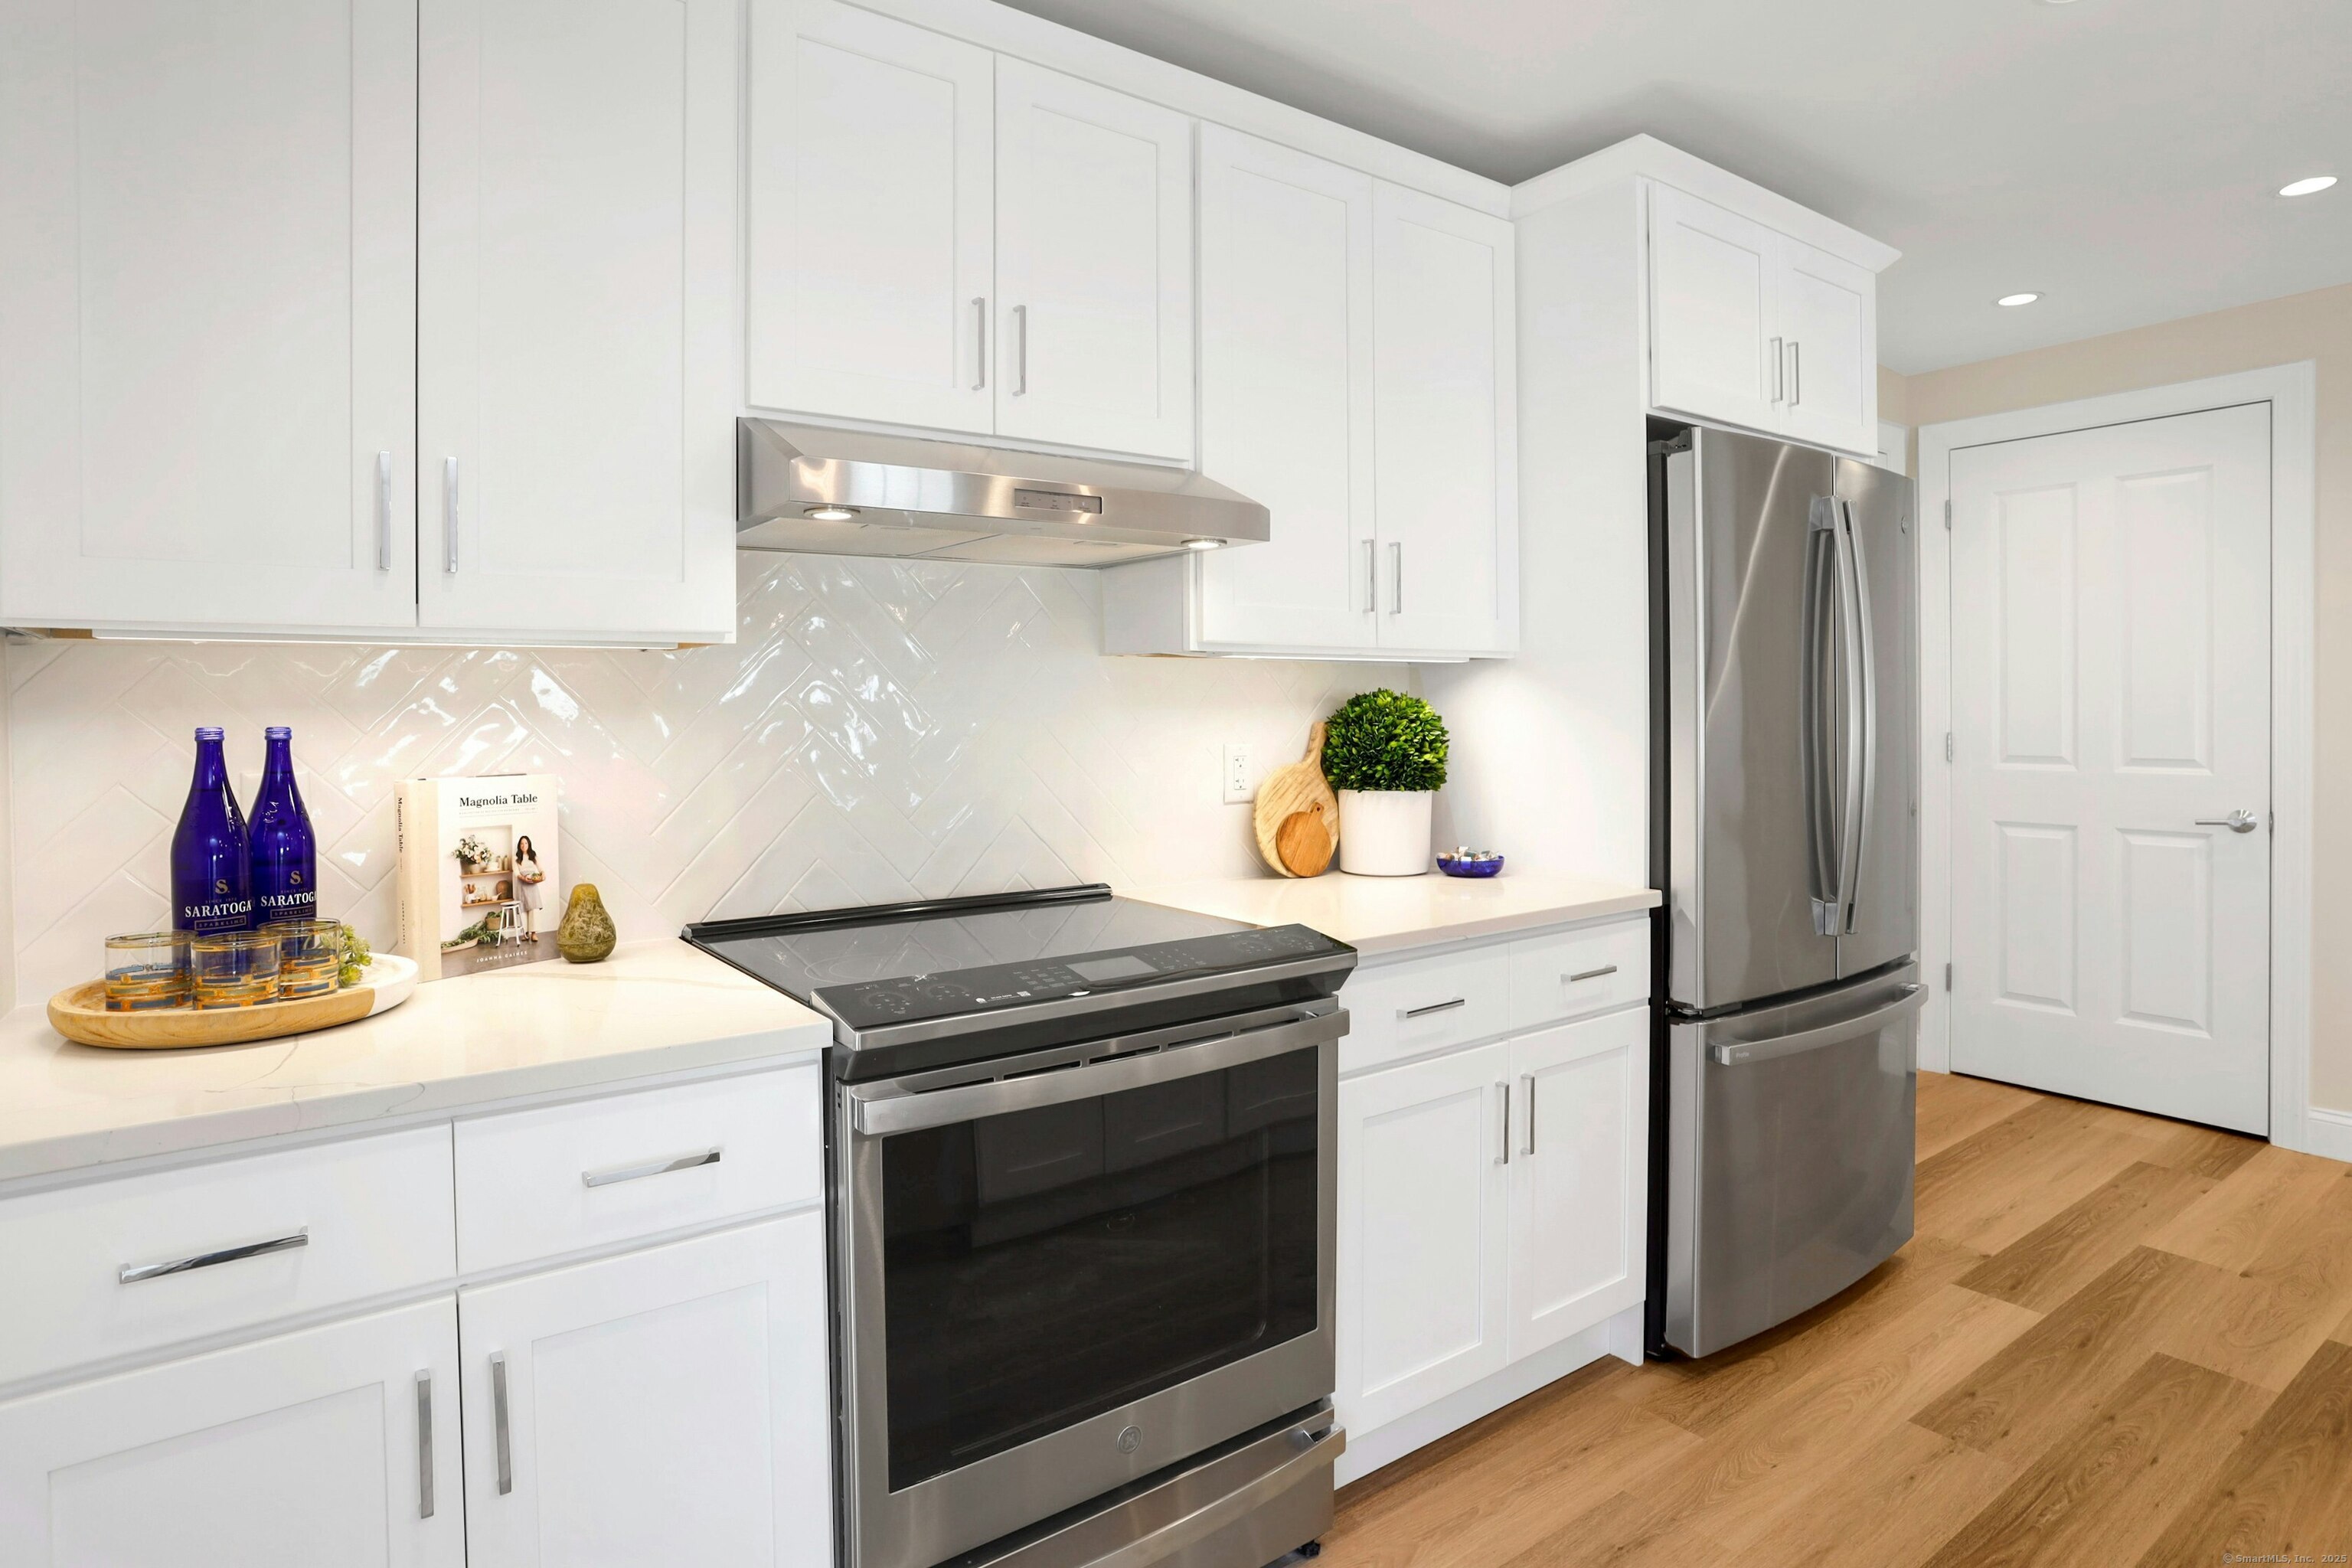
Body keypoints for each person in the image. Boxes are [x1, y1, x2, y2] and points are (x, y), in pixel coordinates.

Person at [513, 834, 546, 939]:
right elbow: (516, 873)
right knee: (523, 909)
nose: (524, 845)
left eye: (526, 843)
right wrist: (523, 878)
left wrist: (543, 874)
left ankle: (534, 933)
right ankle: (525, 933)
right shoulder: (516, 858)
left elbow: (540, 868)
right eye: (522, 843)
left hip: (533, 885)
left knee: (534, 908)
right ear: (519, 845)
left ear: (529, 844)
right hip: (522, 885)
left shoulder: (533, 856)